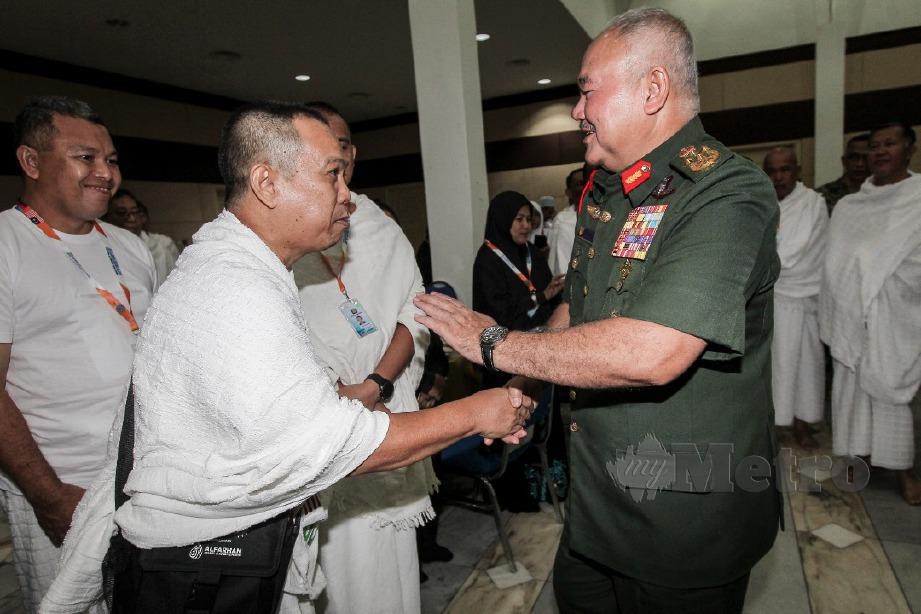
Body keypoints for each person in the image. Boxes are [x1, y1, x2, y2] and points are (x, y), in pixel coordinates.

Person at [40, 102, 533, 614]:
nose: (347, 195)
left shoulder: (240, 266)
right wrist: (477, 411)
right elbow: (333, 446)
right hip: (205, 570)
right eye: (331, 175)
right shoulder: (234, 285)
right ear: (267, 183)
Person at [415, 8, 781, 612]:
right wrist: (523, 379)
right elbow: (577, 309)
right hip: (598, 503)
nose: (577, 110)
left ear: (653, 89)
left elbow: (656, 352)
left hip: (682, 520)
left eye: (587, 91)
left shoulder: (725, 192)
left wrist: (493, 341)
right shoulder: (608, 189)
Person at [0, 96, 156, 613]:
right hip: (65, 487)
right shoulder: (6, 244)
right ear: (31, 161)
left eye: (110, 160)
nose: (105, 174)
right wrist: (48, 496)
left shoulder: (129, 246)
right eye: (84, 157)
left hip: (150, 479)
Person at [291, 102, 433, 614]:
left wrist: (375, 384)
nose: (342, 155)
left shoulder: (377, 223)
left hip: (382, 411)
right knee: (326, 570)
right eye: (329, 147)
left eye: (347, 144)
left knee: (388, 566)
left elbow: (414, 317)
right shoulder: (280, 229)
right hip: (317, 432)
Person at [820, 121, 921, 506]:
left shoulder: (918, 196)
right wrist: (853, 287)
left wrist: (880, 279)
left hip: (897, 311)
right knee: (850, 389)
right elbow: (836, 261)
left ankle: (903, 470)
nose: (879, 152)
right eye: (874, 146)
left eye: (889, 144)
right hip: (850, 313)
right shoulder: (849, 205)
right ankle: (857, 457)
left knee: (890, 395)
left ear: (909, 148)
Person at [763, 147, 828, 449]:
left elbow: (796, 254)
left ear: (798, 171)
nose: (778, 177)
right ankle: (774, 426)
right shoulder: (761, 203)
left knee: (804, 365)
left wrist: (761, 264)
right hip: (768, 300)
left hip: (801, 300)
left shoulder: (813, 204)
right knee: (770, 367)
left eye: (785, 169)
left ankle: (802, 425)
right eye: (772, 171)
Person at [473, 191, 564, 390]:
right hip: (506, 354)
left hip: (542, 348)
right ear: (503, 219)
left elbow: (549, 295)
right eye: (519, 219)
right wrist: (539, 297)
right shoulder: (488, 258)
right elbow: (497, 310)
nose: (526, 226)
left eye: (529, 220)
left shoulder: (531, 252)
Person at [107, 189, 180, 285]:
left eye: (135, 211)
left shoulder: (161, 249)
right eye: (122, 213)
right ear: (107, 217)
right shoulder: (104, 249)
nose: (132, 219)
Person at [816, 133, 870, 214]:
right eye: (854, 157)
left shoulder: (881, 193)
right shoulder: (822, 196)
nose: (860, 164)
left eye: (865, 158)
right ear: (844, 161)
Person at [547, 167, 587, 276]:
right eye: (581, 184)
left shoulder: (606, 213)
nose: (586, 187)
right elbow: (560, 262)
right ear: (569, 192)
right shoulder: (562, 220)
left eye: (589, 182)